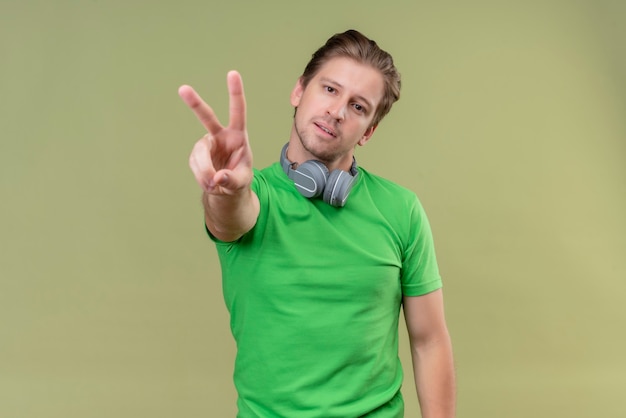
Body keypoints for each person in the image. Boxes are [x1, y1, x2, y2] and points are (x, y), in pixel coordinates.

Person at [179, 29, 455, 418]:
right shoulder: (254, 195)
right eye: (329, 90)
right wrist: (224, 188)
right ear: (299, 92)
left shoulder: (402, 209)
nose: (338, 111)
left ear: (369, 131)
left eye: (359, 107)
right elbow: (230, 216)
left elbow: (429, 341)